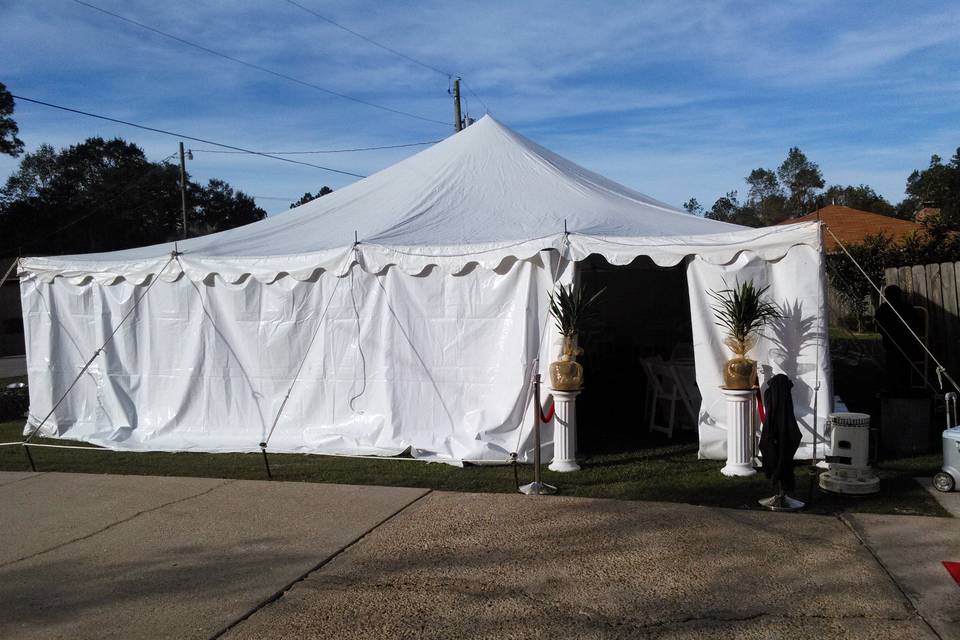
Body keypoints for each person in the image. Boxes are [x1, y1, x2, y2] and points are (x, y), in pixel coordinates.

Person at [874, 285, 920, 392]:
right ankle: (901, 387)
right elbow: (879, 326)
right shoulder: (886, 309)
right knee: (901, 367)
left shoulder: (885, 309)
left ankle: (897, 388)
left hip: (899, 344)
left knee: (896, 366)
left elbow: (878, 326)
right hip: (898, 344)